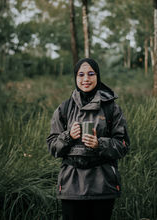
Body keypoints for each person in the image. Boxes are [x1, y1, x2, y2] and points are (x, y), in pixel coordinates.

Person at [46, 58, 130, 220]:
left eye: (91, 74)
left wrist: (100, 144)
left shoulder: (111, 108)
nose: (86, 79)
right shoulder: (64, 108)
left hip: (102, 185)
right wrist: (68, 136)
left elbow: (123, 145)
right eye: (81, 74)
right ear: (75, 78)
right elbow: (52, 146)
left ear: (98, 76)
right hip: (72, 187)